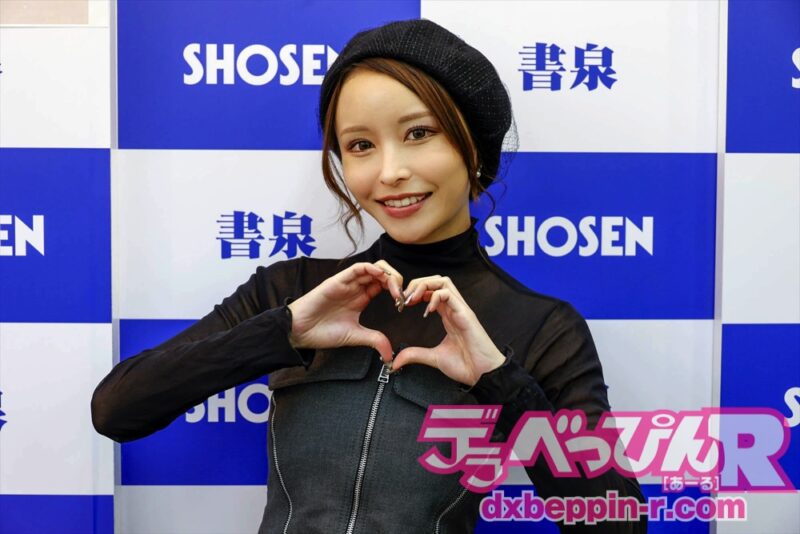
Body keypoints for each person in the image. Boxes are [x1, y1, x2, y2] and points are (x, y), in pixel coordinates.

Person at [92, 19, 646, 533]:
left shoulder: (540, 326)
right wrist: (282, 332)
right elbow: (116, 409)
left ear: (474, 144)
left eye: (419, 133)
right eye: (360, 145)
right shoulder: (292, 289)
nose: (389, 172)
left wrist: (499, 381)